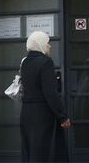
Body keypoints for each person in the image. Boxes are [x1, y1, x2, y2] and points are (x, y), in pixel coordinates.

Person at [20, 31, 70, 162]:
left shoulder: (25, 63)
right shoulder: (46, 62)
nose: (50, 46)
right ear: (40, 44)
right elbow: (50, 93)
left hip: (26, 113)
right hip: (42, 114)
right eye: (47, 43)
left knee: (30, 151)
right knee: (44, 153)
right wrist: (62, 116)